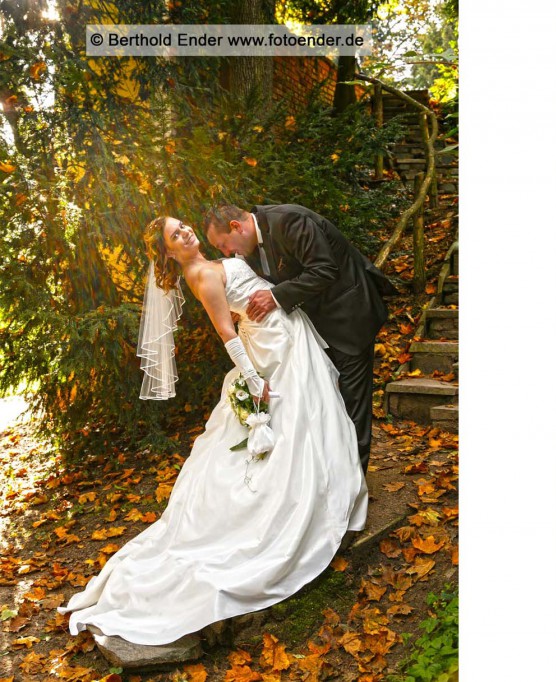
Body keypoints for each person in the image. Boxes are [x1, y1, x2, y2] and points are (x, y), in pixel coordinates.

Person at [59, 217, 368, 645]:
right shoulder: (201, 275)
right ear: (168, 252)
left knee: (315, 417)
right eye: (175, 235)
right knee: (295, 426)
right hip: (268, 349)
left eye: (183, 225)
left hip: (285, 333)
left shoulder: (218, 260)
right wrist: (253, 379)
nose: (185, 232)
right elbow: (226, 330)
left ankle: (331, 485)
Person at [204, 204, 396, 476]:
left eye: (223, 244)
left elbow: (324, 269)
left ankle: (354, 490)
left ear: (236, 227)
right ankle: (331, 480)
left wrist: (276, 297)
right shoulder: (250, 247)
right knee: (328, 406)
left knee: (353, 408)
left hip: (349, 318)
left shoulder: (290, 221)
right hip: (310, 331)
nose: (225, 253)